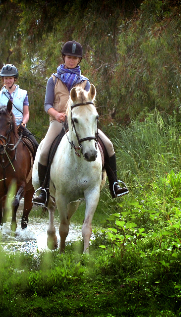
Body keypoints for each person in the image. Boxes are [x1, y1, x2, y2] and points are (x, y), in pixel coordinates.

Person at [32, 40, 129, 206]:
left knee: (109, 145)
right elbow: (47, 104)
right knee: (43, 152)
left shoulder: (85, 82)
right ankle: (43, 190)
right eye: (69, 57)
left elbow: (89, 105)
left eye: (75, 58)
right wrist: (57, 114)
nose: (72, 60)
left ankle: (114, 184)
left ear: (79, 60)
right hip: (58, 122)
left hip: (81, 125)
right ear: (64, 57)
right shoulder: (53, 80)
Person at [0, 64, 39, 187]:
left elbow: (26, 113)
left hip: (19, 128)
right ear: (3, 80)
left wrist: (22, 123)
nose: (8, 80)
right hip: (2, 129)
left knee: (36, 146)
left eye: (10, 78)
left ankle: (38, 178)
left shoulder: (23, 93)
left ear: (14, 79)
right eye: (6, 78)